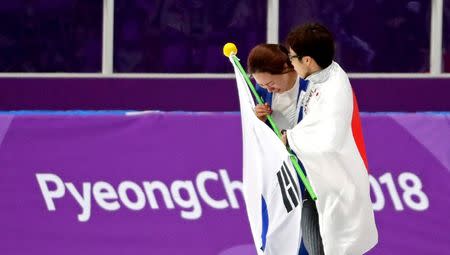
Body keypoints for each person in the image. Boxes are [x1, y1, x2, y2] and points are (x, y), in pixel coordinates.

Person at [282, 23, 378, 254]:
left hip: (335, 184)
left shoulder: (334, 88)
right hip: (316, 182)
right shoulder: (320, 78)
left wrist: (291, 138)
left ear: (307, 60)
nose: (290, 63)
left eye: (292, 57)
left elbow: (329, 138)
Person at [247, 43, 316, 255]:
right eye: (262, 86)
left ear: (287, 68)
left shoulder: (312, 87)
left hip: (310, 172)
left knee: (308, 237)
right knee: (276, 234)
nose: (268, 89)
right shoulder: (260, 91)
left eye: (270, 83)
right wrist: (258, 120)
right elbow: (256, 136)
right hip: (278, 174)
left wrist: (295, 140)